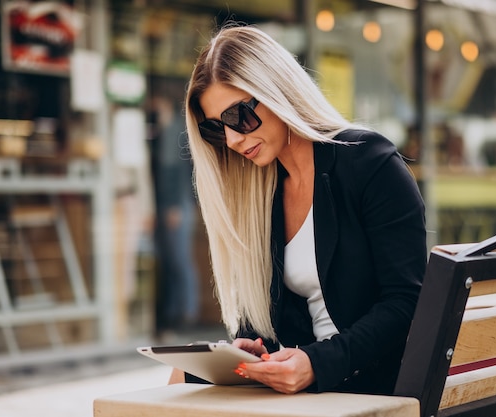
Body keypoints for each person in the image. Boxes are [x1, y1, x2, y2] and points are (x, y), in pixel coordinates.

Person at [169, 24, 426, 396]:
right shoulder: (264, 190)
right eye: (214, 129)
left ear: (275, 92)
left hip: (372, 379)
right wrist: (249, 344)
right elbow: (284, 319)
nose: (232, 139)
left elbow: (407, 303)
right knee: (180, 378)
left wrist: (318, 364)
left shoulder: (369, 163)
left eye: (238, 116)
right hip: (313, 382)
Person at [149, 95, 200, 336]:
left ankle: (187, 312)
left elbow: (177, 172)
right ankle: (174, 311)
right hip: (172, 206)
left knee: (180, 261)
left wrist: (175, 206)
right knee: (171, 261)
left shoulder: (174, 131)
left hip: (176, 207)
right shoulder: (165, 131)